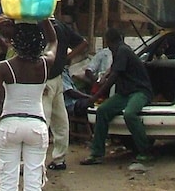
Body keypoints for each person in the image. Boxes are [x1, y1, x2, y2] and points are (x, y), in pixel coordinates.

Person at [0, 20, 58, 191]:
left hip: (9, 125)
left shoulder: (4, 67)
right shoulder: (45, 64)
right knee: (34, 180)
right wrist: (44, 19)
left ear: (15, 42)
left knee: (8, 179)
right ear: (38, 43)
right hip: (37, 126)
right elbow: (53, 40)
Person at [80, 27, 154, 165]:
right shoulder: (119, 50)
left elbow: (114, 76)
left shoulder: (122, 51)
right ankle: (97, 154)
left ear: (108, 41)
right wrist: (103, 79)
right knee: (102, 111)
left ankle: (145, 151)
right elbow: (112, 70)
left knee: (130, 114)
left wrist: (95, 97)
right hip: (125, 93)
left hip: (140, 91)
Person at [43, 16, 88, 171]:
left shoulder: (42, 26)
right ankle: (59, 159)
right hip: (57, 77)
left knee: (44, 120)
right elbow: (84, 43)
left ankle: (36, 161)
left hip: (46, 79)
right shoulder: (61, 26)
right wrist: (65, 58)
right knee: (60, 119)